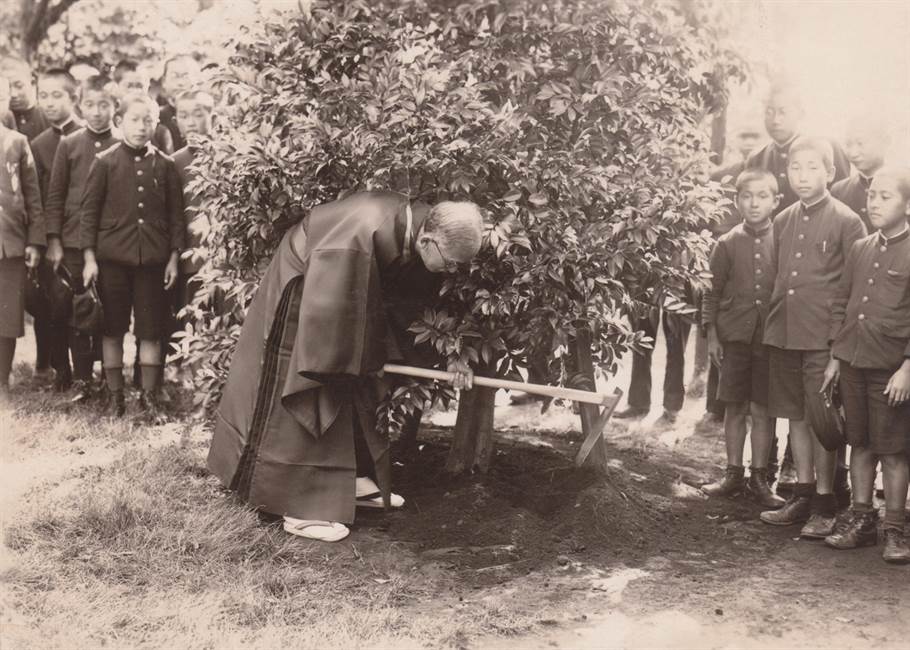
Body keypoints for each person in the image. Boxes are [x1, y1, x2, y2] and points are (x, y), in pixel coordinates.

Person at [207, 193, 483, 542]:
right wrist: (369, 357)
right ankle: (299, 503)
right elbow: (335, 328)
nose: (453, 273)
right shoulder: (360, 236)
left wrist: (454, 355)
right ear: (428, 240)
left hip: (345, 282)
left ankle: (344, 481)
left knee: (358, 377)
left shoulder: (426, 226)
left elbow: (412, 304)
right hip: (311, 285)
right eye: (452, 264)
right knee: (316, 378)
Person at [758, 136, 866, 538]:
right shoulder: (783, 219)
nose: (802, 176)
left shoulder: (847, 220)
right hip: (785, 334)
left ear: (830, 173)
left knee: (823, 421)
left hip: (824, 339)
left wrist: (838, 348)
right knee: (796, 417)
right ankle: (802, 494)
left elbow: (853, 288)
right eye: (795, 168)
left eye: (812, 168)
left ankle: (825, 501)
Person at [823, 167, 910, 564]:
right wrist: (836, 358)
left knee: (892, 451)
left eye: (886, 196)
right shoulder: (860, 247)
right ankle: (862, 519)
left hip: (891, 369)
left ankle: (894, 528)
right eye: (873, 195)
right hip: (854, 361)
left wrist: (907, 368)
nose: (875, 202)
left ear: (907, 205)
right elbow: (843, 303)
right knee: (859, 443)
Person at [80, 93, 184, 421]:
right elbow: (89, 214)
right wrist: (89, 259)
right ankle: (115, 397)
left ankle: (150, 398)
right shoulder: (105, 161)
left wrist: (173, 257)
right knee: (112, 329)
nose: (142, 127)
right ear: (120, 121)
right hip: (112, 262)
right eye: (135, 120)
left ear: (157, 123)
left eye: (148, 120)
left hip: (152, 263)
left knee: (151, 330)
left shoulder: (165, 165)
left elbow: (176, 216)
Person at [701, 169, 784, 508]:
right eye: (747, 196)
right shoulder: (727, 243)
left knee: (764, 410)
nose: (754, 203)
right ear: (736, 201)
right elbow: (711, 292)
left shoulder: (783, 239)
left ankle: (760, 478)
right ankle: (733, 473)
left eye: (762, 196)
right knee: (735, 408)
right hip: (734, 337)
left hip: (770, 339)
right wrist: (712, 336)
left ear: (776, 201)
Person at [45, 75, 119, 403]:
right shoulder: (70, 144)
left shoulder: (122, 142)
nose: (97, 111)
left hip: (112, 242)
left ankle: (109, 376)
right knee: (80, 309)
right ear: (80, 105)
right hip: (75, 240)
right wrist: (55, 240)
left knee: (111, 307)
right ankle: (82, 378)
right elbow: (56, 195)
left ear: (115, 105)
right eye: (90, 104)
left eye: (104, 104)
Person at [29, 68, 82, 390]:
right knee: (54, 304)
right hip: (55, 238)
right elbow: (40, 197)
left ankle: (89, 372)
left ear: (74, 98)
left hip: (86, 235)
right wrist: (49, 239)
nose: (48, 103)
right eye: (43, 95)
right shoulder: (39, 144)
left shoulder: (89, 137)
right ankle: (59, 370)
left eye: (56, 95)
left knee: (87, 306)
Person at [746, 83, 850, 216]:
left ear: (800, 113)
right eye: (769, 112)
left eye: (783, 112)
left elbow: (843, 202)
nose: (776, 120)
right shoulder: (756, 159)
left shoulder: (827, 146)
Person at [0, 87, 44, 395]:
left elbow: (32, 197)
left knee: (7, 313)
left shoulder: (16, 142)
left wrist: (34, 241)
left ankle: (2, 378)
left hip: (10, 242)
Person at [169, 90, 214, 366]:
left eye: (199, 113)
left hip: (224, 257)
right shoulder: (174, 162)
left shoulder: (229, 153)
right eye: (184, 116)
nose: (192, 122)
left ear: (213, 115)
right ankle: (197, 375)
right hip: (191, 256)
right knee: (195, 316)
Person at [831, 115, 890, 232]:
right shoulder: (838, 191)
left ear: (885, 142)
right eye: (848, 145)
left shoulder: (904, 185)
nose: (853, 153)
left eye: (860, 143)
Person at [112, 60, 174, 154]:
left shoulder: (159, 131)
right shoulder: (108, 123)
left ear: (148, 87)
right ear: (116, 87)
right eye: (129, 86)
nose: (135, 91)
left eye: (140, 86)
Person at [157, 55, 201, 151]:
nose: (180, 83)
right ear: (164, 82)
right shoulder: (157, 117)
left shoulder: (206, 115)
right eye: (174, 76)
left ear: (197, 80)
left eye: (186, 76)